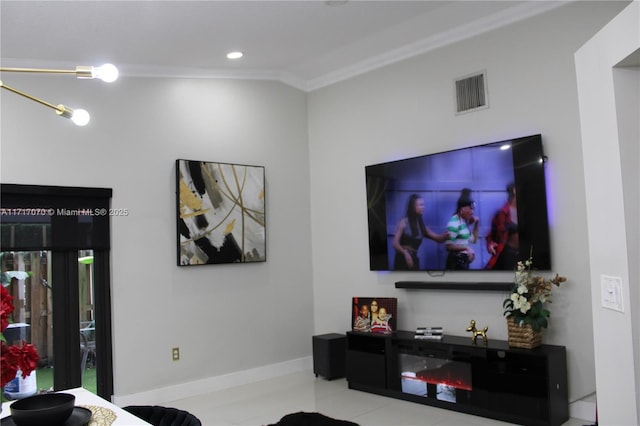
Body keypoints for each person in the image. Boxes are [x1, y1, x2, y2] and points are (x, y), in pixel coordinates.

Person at [392, 194, 449, 270]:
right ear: (413, 207)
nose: (423, 207)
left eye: (423, 205)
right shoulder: (403, 222)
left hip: (414, 259)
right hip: (402, 259)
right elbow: (395, 243)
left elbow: (439, 239)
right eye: (421, 205)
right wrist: (405, 253)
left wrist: (447, 235)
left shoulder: (422, 226)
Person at [485, 183, 519, 270]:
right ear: (514, 191)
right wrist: (490, 244)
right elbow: (491, 234)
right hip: (508, 254)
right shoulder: (503, 212)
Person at [445, 188, 479, 270]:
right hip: (455, 263)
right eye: (470, 209)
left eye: (473, 209)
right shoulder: (454, 222)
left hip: (463, 263)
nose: (472, 212)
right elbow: (448, 246)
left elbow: (474, 240)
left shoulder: (463, 222)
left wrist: (477, 223)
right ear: (462, 209)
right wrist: (466, 248)